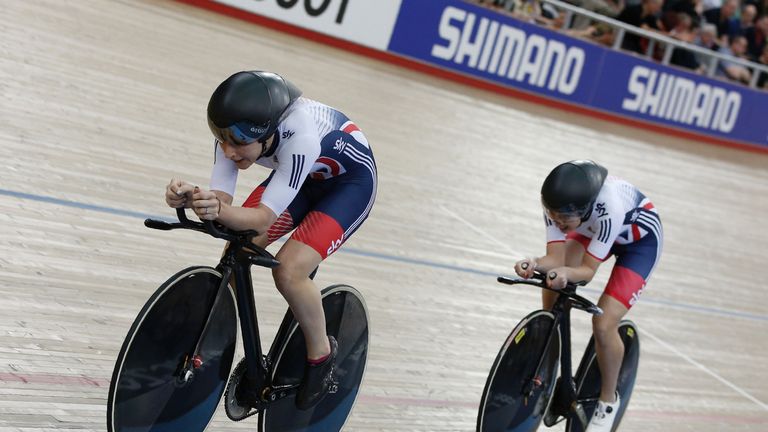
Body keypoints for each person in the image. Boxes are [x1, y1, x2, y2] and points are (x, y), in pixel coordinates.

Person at [164, 71, 377, 410]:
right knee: (238, 242)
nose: (230, 152)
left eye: (239, 144)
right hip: (301, 179)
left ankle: (321, 356)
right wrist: (194, 198)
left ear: (267, 135)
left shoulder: (301, 137)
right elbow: (223, 203)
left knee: (289, 271)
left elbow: (262, 217)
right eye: (224, 142)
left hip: (347, 187)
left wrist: (215, 207)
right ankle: (216, 336)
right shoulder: (232, 130)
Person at [514, 160, 662, 432]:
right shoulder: (557, 206)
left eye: (564, 219)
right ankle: (546, 362)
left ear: (585, 208)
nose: (558, 223)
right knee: (552, 284)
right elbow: (554, 258)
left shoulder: (609, 208)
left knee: (604, 324)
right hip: (591, 231)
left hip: (638, 243)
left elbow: (585, 272)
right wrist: (534, 263)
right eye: (553, 216)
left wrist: (566, 274)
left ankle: (608, 403)